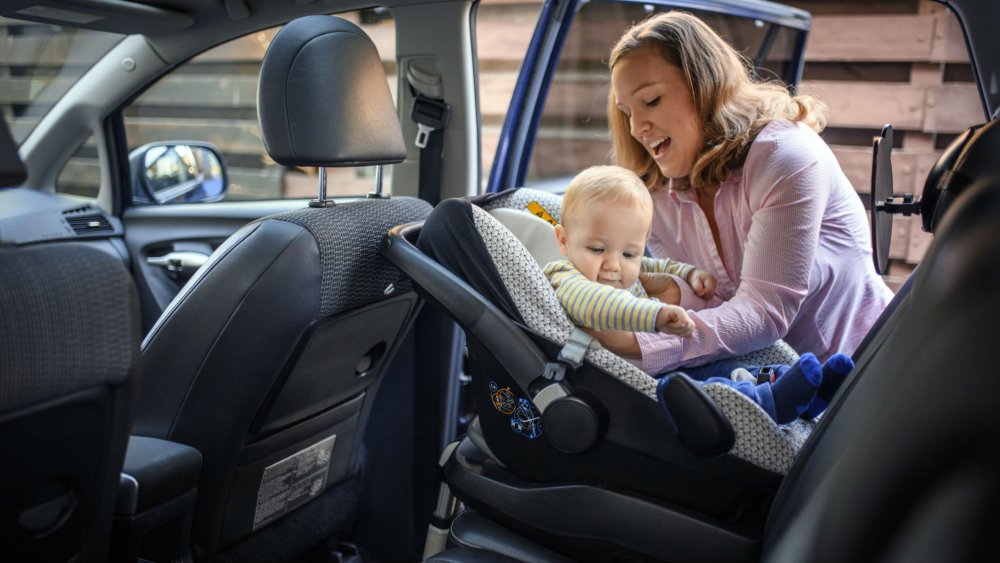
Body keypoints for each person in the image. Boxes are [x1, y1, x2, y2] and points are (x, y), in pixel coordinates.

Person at [594, 11, 894, 376]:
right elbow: (721, 302)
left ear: (705, 86)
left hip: (873, 374)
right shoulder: (655, 200)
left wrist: (632, 343)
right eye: (626, 112)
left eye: (652, 101)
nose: (637, 128)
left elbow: (763, 312)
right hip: (773, 388)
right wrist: (673, 293)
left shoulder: (786, 158)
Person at [543, 164, 852, 423]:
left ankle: (802, 391)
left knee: (726, 367)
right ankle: (770, 402)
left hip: (658, 356)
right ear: (563, 240)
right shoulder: (565, 276)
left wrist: (688, 273)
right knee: (701, 389)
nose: (612, 265)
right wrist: (655, 315)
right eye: (597, 249)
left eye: (628, 253)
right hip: (630, 384)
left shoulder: (625, 264)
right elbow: (600, 304)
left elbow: (655, 264)